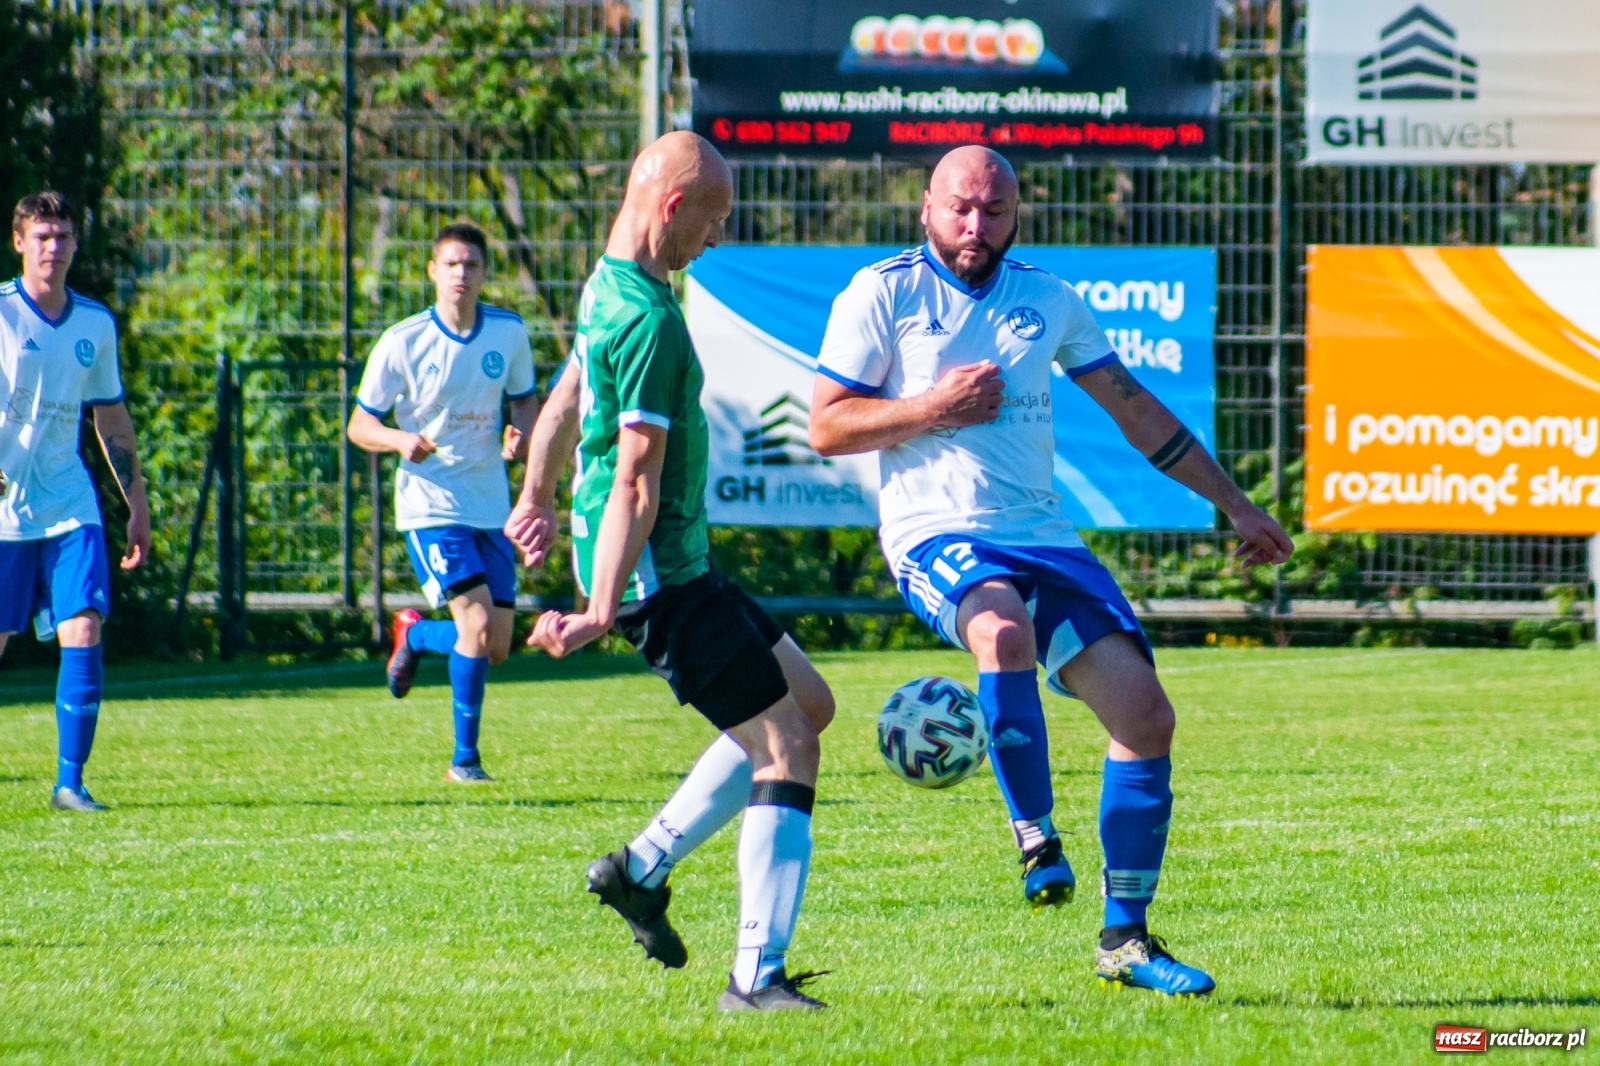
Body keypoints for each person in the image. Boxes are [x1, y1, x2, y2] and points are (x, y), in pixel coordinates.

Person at [809, 146, 1294, 997]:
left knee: (1146, 718)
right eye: (960, 207)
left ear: (1017, 212)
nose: (975, 226)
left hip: (1044, 538)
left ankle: (1126, 940)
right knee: (1000, 630)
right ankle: (1036, 840)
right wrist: (935, 406)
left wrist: (1236, 503)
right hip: (935, 533)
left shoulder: (1048, 298)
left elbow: (1134, 408)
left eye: (994, 211)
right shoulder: (880, 293)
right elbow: (827, 427)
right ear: (927, 205)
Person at [504, 131, 836, 1012]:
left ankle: (639, 870)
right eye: (714, 222)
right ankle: (755, 980)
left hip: (680, 564)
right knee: (787, 746)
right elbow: (635, 481)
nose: (715, 242)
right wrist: (599, 609)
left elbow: (569, 398)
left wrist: (535, 492)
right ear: (673, 207)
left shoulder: (610, 285)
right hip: (662, 582)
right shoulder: (649, 318)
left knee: (809, 707)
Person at [348, 223, 539, 783]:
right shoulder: (403, 341)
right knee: (476, 624)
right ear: (432, 271)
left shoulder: (507, 334)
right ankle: (465, 761)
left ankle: (415, 634)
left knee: (495, 646)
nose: (461, 274)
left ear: (484, 274)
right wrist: (399, 439)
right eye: (451, 264)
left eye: (471, 265)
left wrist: (519, 439)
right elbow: (361, 424)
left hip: (489, 504)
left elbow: (526, 405)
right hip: (430, 504)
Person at [0, 191, 152, 812]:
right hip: (6, 511)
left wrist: (136, 502)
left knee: (84, 627)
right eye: (42, 237)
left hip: (70, 503)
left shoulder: (94, 323)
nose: (53, 248)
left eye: (63, 237)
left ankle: (70, 782)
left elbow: (111, 420)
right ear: (19, 243)